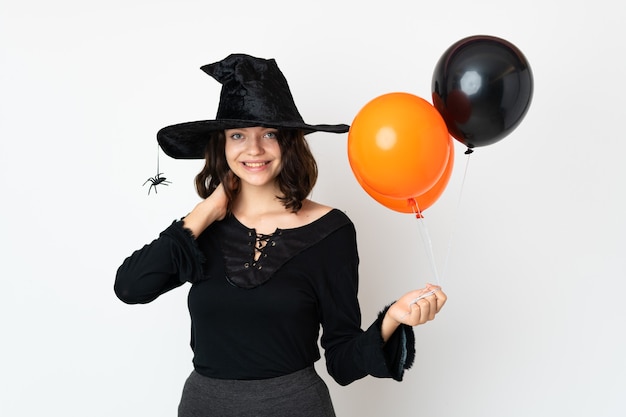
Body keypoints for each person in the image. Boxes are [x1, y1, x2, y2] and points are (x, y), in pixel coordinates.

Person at [114, 53, 447, 417]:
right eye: (238, 135)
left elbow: (342, 362)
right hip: (203, 408)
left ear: (288, 142)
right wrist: (207, 209)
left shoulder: (331, 231)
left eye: (268, 134)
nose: (253, 149)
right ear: (222, 146)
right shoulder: (201, 228)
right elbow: (131, 288)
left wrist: (392, 319)